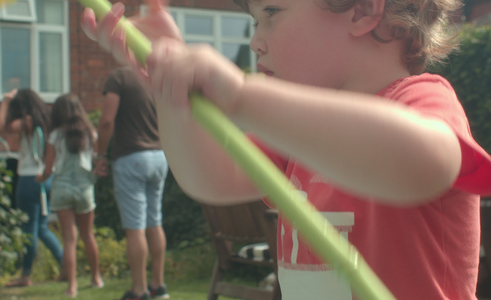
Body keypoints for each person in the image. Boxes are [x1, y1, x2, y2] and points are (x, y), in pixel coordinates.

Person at [81, 0, 491, 299]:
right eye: (254, 21)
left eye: (272, 14)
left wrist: (243, 96)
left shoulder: (421, 100)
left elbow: (422, 163)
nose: (256, 42)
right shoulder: (296, 138)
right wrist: (169, 89)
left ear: (363, 10)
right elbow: (209, 176)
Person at [93, 66, 169, 300]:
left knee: (135, 228)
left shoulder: (120, 77)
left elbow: (106, 121)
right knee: (154, 222)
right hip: (159, 156)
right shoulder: (157, 77)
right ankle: (158, 286)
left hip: (131, 158)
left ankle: (139, 291)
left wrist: (100, 155)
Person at [36, 94, 104, 298]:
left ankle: (72, 286)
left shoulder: (55, 134)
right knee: (88, 234)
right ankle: (96, 278)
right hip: (84, 188)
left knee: (69, 239)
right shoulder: (90, 132)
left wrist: (41, 178)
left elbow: (48, 168)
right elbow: (96, 161)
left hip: (62, 188)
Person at [0, 88, 64, 287]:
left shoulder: (27, 121)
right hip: (46, 178)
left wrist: (5, 102)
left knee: (29, 229)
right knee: (42, 228)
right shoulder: (45, 120)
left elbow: (0, 128)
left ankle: (25, 275)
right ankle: (65, 264)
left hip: (28, 178)